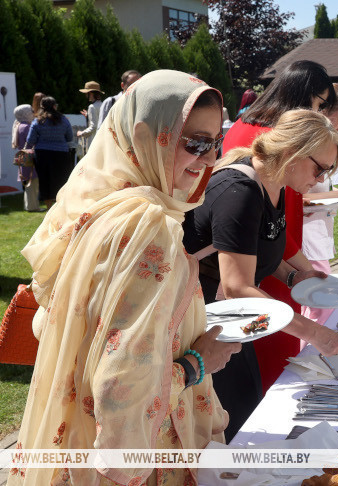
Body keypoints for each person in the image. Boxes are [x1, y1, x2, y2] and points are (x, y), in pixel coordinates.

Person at [12, 70, 241, 486]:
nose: (210, 160)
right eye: (195, 143)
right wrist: (198, 364)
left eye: (215, 143)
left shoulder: (92, 204)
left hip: (77, 442)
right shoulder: (147, 226)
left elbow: (48, 324)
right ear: (145, 135)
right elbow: (123, 393)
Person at [184, 109, 338, 441]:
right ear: (292, 152)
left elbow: (256, 249)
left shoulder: (276, 184)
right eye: (320, 168)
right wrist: (315, 333)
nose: (321, 178)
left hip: (226, 321)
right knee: (229, 425)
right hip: (197, 324)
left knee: (245, 412)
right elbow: (237, 287)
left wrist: (294, 276)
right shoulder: (241, 190)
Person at [301, 83, 338, 326]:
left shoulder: (325, 143)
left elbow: (319, 191)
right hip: (306, 238)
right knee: (320, 306)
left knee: (314, 304)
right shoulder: (309, 146)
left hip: (319, 235)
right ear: (325, 112)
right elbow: (301, 200)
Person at [24, 96, 73, 208]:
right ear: (55, 106)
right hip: (61, 154)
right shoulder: (64, 120)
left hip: (42, 154)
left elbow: (30, 140)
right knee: (61, 180)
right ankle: (60, 207)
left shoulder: (37, 121)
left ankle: (49, 208)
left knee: (45, 181)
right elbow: (70, 138)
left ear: (42, 107)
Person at [76, 81, 103, 151]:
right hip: (102, 140)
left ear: (90, 93)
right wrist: (88, 116)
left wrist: (81, 133)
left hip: (94, 141)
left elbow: (93, 127)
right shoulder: (103, 104)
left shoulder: (92, 107)